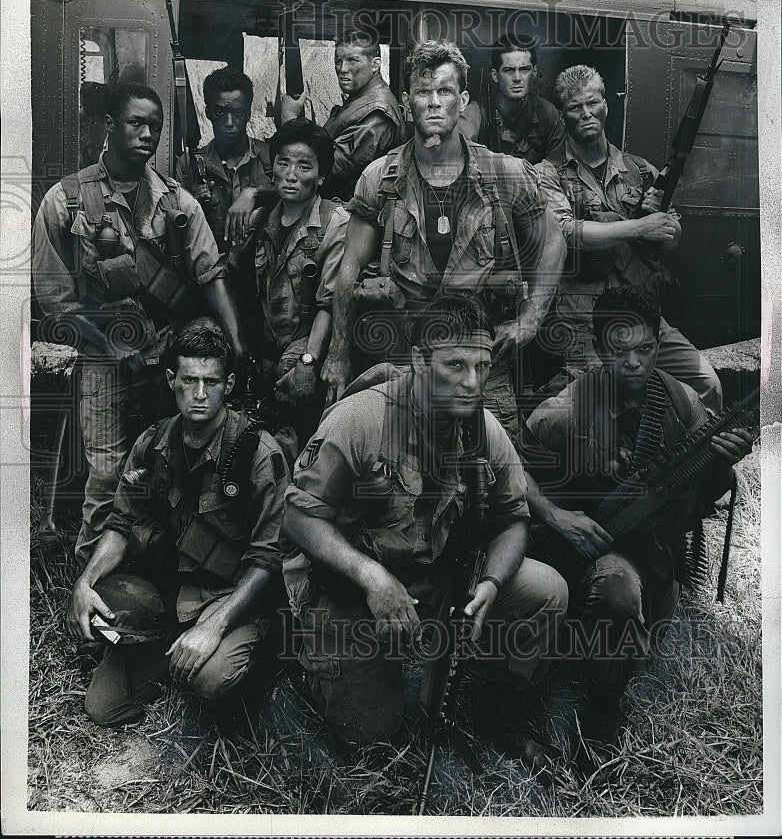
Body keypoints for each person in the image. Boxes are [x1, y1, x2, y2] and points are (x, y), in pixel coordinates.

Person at [282, 296, 569, 750]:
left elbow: (515, 517)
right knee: (374, 739)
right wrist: (372, 578)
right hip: (352, 587)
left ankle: (500, 709)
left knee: (546, 590)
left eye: (482, 366)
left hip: (438, 576)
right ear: (419, 359)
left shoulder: (482, 428)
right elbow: (297, 517)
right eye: (455, 364)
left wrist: (491, 585)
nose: (473, 382)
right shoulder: (361, 419)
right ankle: (314, 664)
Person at [523, 286, 753, 750]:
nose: (635, 364)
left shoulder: (683, 403)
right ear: (598, 348)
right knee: (617, 592)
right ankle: (604, 704)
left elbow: (701, 493)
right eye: (620, 351)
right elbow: (513, 471)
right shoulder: (567, 409)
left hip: (658, 555)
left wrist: (725, 461)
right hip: (597, 551)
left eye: (646, 349)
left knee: (638, 610)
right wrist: (556, 514)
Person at [32, 83, 247, 565]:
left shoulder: (176, 204)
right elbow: (54, 299)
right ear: (110, 126)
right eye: (136, 123)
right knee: (107, 471)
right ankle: (92, 580)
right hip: (103, 359)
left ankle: (158, 572)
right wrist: (111, 342)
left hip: (166, 358)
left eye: (155, 125)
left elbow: (209, 273)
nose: (148, 133)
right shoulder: (65, 201)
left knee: (165, 468)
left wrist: (236, 342)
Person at [321, 39, 566, 447]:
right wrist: (339, 353)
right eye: (423, 92)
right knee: (396, 473)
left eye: (445, 91)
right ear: (405, 102)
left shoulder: (504, 174)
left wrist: (532, 316)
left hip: (480, 364)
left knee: (497, 477)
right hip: (407, 359)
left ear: (463, 99)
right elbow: (348, 270)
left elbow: (553, 238)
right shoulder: (380, 179)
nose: (434, 102)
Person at [66, 324, 290, 727]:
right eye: (189, 380)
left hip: (231, 600)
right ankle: (168, 652)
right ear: (172, 381)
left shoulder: (257, 454)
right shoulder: (152, 443)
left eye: (212, 381)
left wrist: (215, 626)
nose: (200, 393)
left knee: (210, 679)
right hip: (171, 595)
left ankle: (251, 660)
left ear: (229, 385)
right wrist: (84, 582)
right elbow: (120, 522)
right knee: (103, 708)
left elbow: (268, 558)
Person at [535, 64, 722, 413]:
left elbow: (670, 238)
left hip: (642, 315)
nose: (586, 114)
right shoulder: (547, 173)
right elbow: (565, 233)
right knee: (595, 410)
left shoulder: (638, 169)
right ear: (563, 115)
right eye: (575, 108)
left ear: (606, 105)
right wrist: (639, 226)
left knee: (706, 385)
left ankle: (690, 462)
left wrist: (661, 219)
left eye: (592, 103)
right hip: (585, 320)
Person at [232, 119, 349, 442]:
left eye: (304, 166)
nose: (292, 175)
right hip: (267, 346)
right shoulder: (259, 222)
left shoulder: (334, 224)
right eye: (283, 163)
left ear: (321, 176)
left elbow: (330, 302)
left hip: (310, 346)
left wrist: (308, 362)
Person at [281, 30, 406, 200]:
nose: (343, 69)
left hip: (348, 213)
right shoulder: (359, 100)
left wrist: (290, 120)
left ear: (375, 64)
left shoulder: (377, 114)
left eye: (353, 60)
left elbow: (327, 170)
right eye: (338, 61)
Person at [175, 66, 274, 253]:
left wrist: (255, 194)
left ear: (248, 114)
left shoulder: (269, 158)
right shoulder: (189, 165)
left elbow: (294, 197)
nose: (229, 123)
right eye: (221, 112)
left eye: (237, 113)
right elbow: (177, 231)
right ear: (208, 113)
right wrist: (193, 204)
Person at [459, 33, 565, 164]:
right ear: (495, 75)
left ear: (535, 72)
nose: (517, 78)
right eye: (509, 70)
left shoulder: (547, 114)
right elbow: (459, 155)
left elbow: (556, 169)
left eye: (524, 69)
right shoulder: (477, 114)